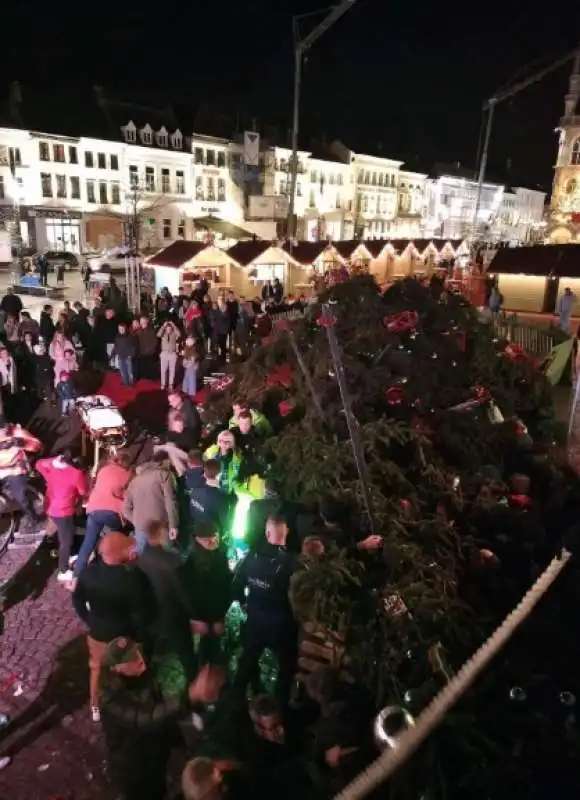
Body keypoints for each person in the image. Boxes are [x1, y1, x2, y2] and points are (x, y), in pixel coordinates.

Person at [72, 532, 155, 722]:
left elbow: (77, 600)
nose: (132, 550)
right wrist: (141, 636)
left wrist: (89, 619)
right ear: (118, 553)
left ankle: (95, 706)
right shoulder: (132, 579)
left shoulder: (88, 573)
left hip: (97, 633)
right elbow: (142, 613)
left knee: (97, 670)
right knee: (134, 670)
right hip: (123, 637)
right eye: (128, 548)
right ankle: (133, 707)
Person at [232, 514, 299, 704]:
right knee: (286, 669)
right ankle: (280, 708)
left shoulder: (250, 557)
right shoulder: (292, 563)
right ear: (285, 532)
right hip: (282, 627)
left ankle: (236, 701)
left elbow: (236, 585)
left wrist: (245, 603)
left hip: (255, 621)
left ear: (267, 532)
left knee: (247, 662)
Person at [136, 521, 198, 681]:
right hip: (174, 614)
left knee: (153, 651)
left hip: (154, 613)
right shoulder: (173, 561)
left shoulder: (141, 558)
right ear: (158, 536)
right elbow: (183, 592)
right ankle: (193, 687)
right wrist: (193, 615)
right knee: (187, 655)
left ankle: (148, 682)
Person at [73, 452, 133, 579]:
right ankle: (115, 569)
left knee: (88, 543)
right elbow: (124, 495)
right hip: (111, 511)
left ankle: (77, 575)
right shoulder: (125, 475)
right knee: (117, 540)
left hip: (93, 509)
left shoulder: (103, 470)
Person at [185, 520, 232, 666]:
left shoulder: (221, 551)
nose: (213, 541)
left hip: (218, 610)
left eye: (215, 536)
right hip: (205, 614)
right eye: (207, 539)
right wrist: (197, 618)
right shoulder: (191, 562)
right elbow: (191, 594)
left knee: (213, 642)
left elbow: (224, 583)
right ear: (197, 539)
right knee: (208, 643)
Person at [36, 450, 87, 582]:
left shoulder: (52, 468)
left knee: (65, 532)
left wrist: (53, 460)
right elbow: (83, 491)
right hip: (63, 511)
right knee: (66, 540)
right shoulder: (76, 474)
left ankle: (66, 555)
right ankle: (63, 570)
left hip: (51, 507)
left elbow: (38, 464)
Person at [122, 451, 179, 552]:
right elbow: (170, 501)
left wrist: (137, 521)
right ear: (165, 461)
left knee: (141, 559)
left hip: (140, 528)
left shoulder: (134, 481)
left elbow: (125, 509)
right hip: (159, 527)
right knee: (164, 558)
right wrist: (173, 525)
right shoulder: (164, 475)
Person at [0, 421, 43, 532]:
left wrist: (21, 443)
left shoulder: (16, 431)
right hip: (2, 470)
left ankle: (34, 518)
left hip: (16, 469)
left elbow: (37, 446)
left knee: (21, 498)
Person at [188, 459, 235, 537]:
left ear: (205, 474)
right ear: (219, 475)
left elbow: (192, 511)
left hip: (198, 531)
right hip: (212, 536)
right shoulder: (221, 498)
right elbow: (225, 524)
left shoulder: (195, 489)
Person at [111, 322, 136, 386]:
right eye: (119, 329)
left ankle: (131, 382)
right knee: (122, 370)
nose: (121, 330)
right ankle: (125, 381)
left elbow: (133, 346)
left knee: (130, 371)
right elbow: (116, 346)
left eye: (122, 328)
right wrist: (112, 354)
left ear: (125, 329)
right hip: (120, 356)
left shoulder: (130, 336)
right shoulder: (117, 336)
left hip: (128, 356)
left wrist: (131, 355)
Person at [158, 319, 180, 391]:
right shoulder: (163, 333)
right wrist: (163, 326)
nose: (168, 329)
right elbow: (158, 334)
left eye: (170, 328)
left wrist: (173, 325)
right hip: (164, 353)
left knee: (172, 370)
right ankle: (163, 384)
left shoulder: (174, 334)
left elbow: (179, 334)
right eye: (167, 328)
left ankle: (171, 385)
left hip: (172, 354)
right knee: (163, 370)